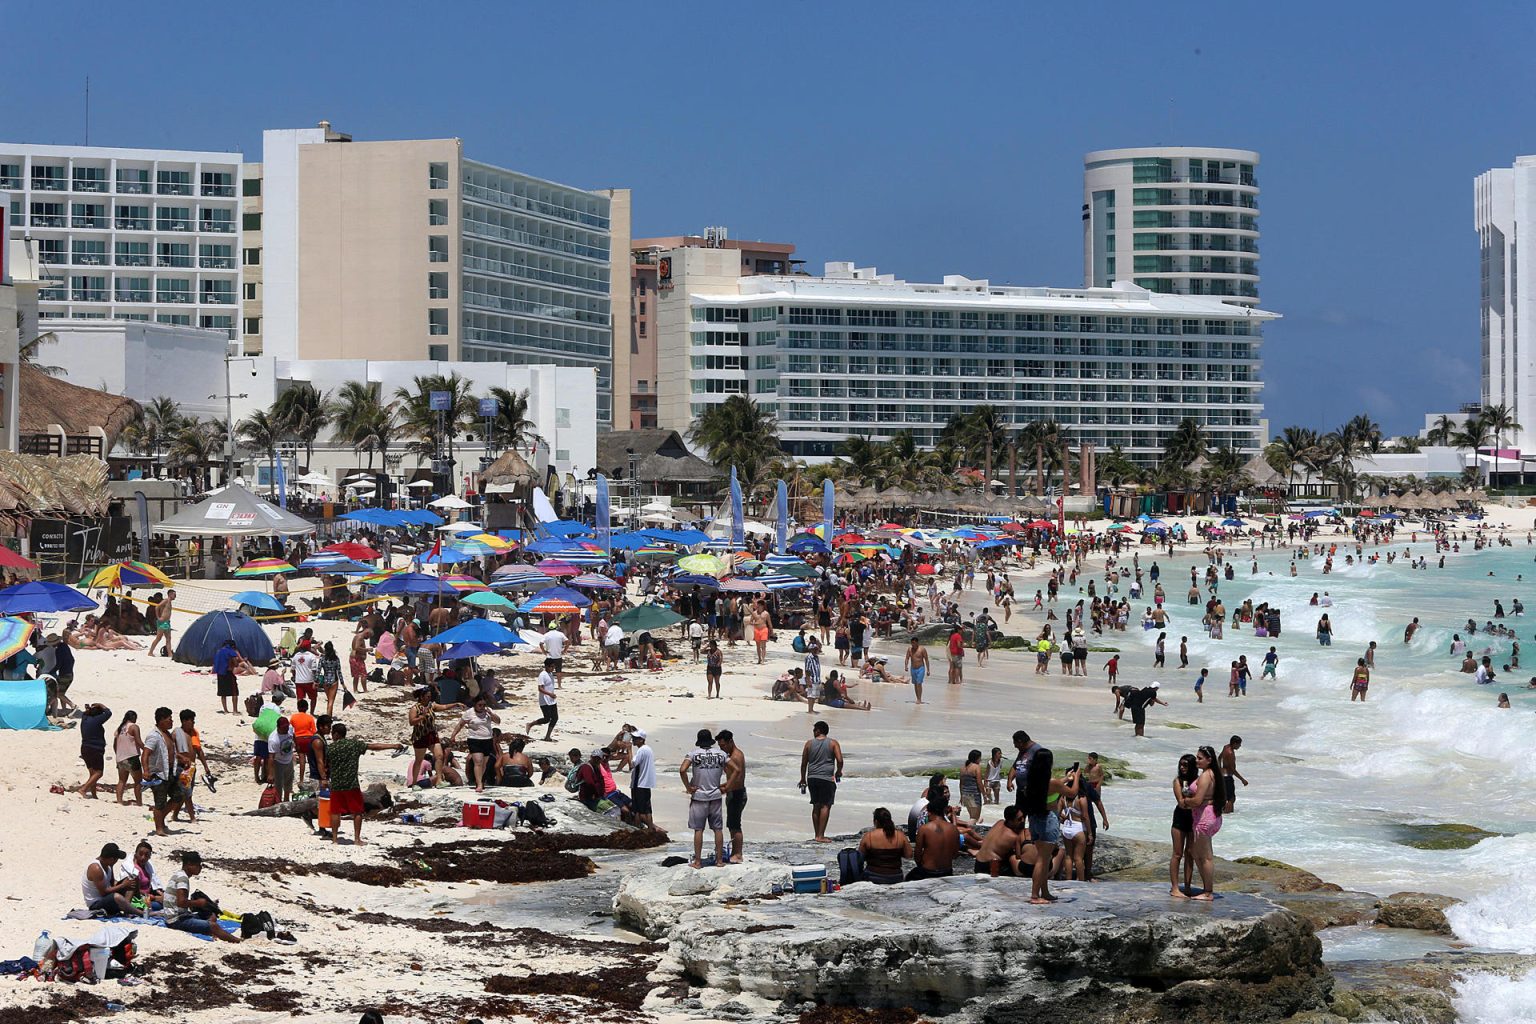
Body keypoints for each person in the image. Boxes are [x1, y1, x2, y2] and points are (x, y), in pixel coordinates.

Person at [321, 722, 404, 846]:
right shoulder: (354, 745)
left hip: (337, 784)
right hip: (352, 784)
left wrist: (324, 779)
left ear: (336, 734)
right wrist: (393, 745)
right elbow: (373, 746)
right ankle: (357, 839)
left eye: (333, 733)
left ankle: (334, 839)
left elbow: (326, 765)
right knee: (357, 812)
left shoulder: (331, 748)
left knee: (335, 812)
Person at [1021, 748, 1079, 904]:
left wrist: (1066, 778)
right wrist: (1076, 777)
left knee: (1044, 859)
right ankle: (1034, 895)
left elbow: (1053, 785)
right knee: (1042, 859)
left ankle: (1044, 891)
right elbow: (1072, 793)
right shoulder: (1051, 783)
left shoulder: (1033, 781)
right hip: (1048, 820)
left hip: (1035, 819)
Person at [1177, 744, 1224, 900]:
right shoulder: (1212, 774)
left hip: (1205, 818)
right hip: (1207, 815)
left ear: (1209, 760)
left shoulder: (1206, 776)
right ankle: (1206, 888)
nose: (1196, 761)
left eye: (1199, 758)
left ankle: (1208, 892)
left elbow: (1197, 801)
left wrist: (1185, 801)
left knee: (1205, 856)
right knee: (1196, 854)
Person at [163, 851, 242, 943]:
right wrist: (198, 903)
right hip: (176, 920)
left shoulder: (179, 875)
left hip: (177, 916)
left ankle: (213, 932)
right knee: (213, 926)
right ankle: (237, 941)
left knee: (211, 916)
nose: (200, 868)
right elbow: (181, 902)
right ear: (189, 864)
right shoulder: (182, 878)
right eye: (198, 865)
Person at [679, 728, 729, 868]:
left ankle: (698, 862)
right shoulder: (721, 754)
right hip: (715, 795)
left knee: (698, 829)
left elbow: (682, 770)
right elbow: (734, 769)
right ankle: (719, 861)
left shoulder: (693, 754)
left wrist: (688, 787)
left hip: (699, 796)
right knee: (717, 829)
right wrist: (727, 785)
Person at [800, 720, 843, 843]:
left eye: (814, 730)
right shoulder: (833, 743)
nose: (813, 732)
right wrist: (839, 772)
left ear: (819, 730)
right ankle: (821, 835)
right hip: (826, 778)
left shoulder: (808, 744)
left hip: (812, 777)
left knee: (816, 805)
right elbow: (839, 760)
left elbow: (804, 764)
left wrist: (803, 778)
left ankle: (816, 835)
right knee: (825, 806)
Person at [142, 706, 181, 836]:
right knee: (160, 802)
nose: (172, 721)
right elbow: (145, 754)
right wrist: (146, 771)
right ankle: (159, 828)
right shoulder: (154, 736)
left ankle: (160, 819)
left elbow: (170, 752)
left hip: (170, 772)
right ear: (161, 720)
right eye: (169, 719)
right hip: (158, 774)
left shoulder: (167, 734)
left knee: (177, 797)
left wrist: (183, 758)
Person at [908, 797, 961, 881]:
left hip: (928, 872)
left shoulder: (924, 829)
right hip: (947, 871)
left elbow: (917, 855)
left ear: (929, 812)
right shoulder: (953, 829)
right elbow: (955, 854)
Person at [1169, 753, 1199, 897]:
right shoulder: (1178, 781)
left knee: (1190, 853)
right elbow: (1181, 802)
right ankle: (1175, 887)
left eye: (1185, 765)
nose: (1182, 767)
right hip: (1180, 818)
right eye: (1181, 764)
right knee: (1177, 853)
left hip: (1194, 818)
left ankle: (1187, 886)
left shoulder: (1198, 781)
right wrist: (1195, 802)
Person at [858, 808, 912, 885]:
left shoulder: (868, 836)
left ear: (876, 821)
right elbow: (909, 855)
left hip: (873, 876)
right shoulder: (900, 835)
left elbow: (860, 859)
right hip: (896, 877)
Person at [973, 805, 1027, 877]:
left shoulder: (999, 822)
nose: (1023, 820)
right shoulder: (1013, 837)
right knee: (1014, 858)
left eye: (1023, 817)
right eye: (1019, 819)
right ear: (1010, 821)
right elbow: (1019, 855)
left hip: (978, 863)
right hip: (990, 866)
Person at [718, 729, 746, 861]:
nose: (721, 748)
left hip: (737, 793)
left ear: (730, 742)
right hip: (734, 791)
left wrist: (725, 788)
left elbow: (738, 780)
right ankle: (735, 852)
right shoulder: (732, 755)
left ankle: (738, 854)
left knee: (735, 824)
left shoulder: (736, 756)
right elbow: (732, 779)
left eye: (723, 745)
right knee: (731, 824)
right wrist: (723, 786)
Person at [76, 701, 113, 800]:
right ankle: (83, 789)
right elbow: (109, 713)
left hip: (85, 748)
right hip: (95, 749)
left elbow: (85, 712)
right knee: (99, 773)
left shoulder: (85, 718)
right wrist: (101, 704)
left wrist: (89, 708)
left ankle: (94, 795)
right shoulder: (96, 720)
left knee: (93, 774)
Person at [113, 710, 146, 806]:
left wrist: (118, 754)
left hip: (120, 758)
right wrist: (147, 750)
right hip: (131, 757)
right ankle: (139, 802)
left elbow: (114, 745)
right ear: (133, 718)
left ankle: (119, 801)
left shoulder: (119, 729)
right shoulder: (134, 727)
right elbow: (139, 742)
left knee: (122, 780)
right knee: (138, 781)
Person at [629, 728, 656, 831]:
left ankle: (639, 830)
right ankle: (650, 830)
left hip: (639, 783)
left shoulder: (641, 750)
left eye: (635, 738)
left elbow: (632, 764)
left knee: (638, 810)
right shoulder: (648, 749)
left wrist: (629, 750)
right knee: (647, 809)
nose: (633, 740)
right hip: (646, 783)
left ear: (641, 739)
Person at [266, 716, 298, 802]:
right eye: (284, 728)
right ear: (278, 727)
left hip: (289, 760)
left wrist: (296, 746)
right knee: (278, 786)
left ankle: (286, 800)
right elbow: (271, 757)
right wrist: (270, 774)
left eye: (287, 727)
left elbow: (293, 735)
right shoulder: (273, 739)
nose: (286, 729)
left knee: (288, 782)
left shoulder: (290, 729)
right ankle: (278, 802)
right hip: (278, 762)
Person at [526, 660, 560, 741]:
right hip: (544, 700)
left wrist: (552, 695)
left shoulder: (551, 674)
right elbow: (540, 688)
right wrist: (550, 694)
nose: (553, 668)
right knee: (546, 719)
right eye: (551, 666)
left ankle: (547, 736)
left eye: (554, 666)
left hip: (552, 700)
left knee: (555, 718)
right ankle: (530, 724)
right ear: (547, 666)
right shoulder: (542, 675)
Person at [1220, 736, 1248, 812]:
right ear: (1235, 743)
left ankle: (1225, 815)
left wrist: (1219, 770)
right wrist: (1242, 779)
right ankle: (1229, 815)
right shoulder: (1231, 753)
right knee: (1231, 798)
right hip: (1227, 777)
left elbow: (1219, 758)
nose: (1240, 746)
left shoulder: (1226, 747)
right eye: (1239, 744)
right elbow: (1232, 770)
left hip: (1222, 776)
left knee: (1225, 797)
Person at [213, 639, 241, 714]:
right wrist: (237, 662)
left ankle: (225, 710)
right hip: (228, 673)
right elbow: (235, 664)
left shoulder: (219, 651)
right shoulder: (231, 651)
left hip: (220, 674)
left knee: (223, 693)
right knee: (234, 692)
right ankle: (235, 711)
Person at [958, 749, 986, 824]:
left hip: (965, 795)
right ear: (977, 758)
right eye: (980, 758)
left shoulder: (962, 768)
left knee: (972, 817)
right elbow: (979, 783)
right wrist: (984, 795)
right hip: (974, 795)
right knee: (974, 819)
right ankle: (967, 831)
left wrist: (961, 796)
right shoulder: (976, 767)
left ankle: (972, 830)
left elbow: (961, 784)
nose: (980, 759)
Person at [146, 589, 176, 658]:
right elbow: (157, 607)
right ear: (170, 594)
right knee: (158, 638)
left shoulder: (169, 602)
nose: (175, 596)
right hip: (162, 622)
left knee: (168, 638)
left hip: (167, 622)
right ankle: (150, 652)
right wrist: (158, 617)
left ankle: (170, 654)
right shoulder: (165, 601)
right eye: (174, 594)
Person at [903, 635, 929, 705]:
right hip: (913, 668)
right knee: (915, 684)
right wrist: (906, 666)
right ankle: (917, 697)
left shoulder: (922, 649)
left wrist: (928, 670)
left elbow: (926, 659)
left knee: (919, 683)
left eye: (914, 643)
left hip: (921, 668)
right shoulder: (909, 649)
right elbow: (907, 658)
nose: (913, 645)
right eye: (912, 643)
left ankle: (919, 699)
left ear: (917, 643)